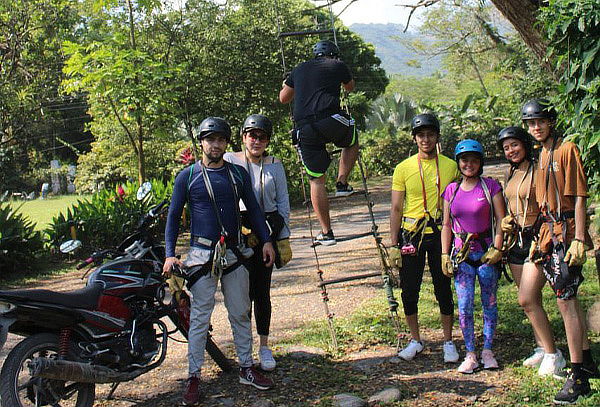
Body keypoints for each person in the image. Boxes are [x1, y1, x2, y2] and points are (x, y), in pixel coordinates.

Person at [163, 117, 276, 405]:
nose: (215, 144)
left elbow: (254, 208)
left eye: (220, 140)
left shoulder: (237, 174)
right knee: (200, 317)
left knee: (240, 312)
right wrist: (169, 254)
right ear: (201, 142)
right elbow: (173, 217)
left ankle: (247, 367)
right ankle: (193, 376)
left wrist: (265, 241)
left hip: (235, 253)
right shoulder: (187, 177)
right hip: (201, 255)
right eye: (210, 139)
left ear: (227, 144)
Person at [522, 99, 598, 404]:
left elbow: (579, 197)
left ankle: (578, 376)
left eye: (540, 122)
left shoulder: (567, 150)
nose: (536, 128)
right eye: (531, 124)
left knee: (565, 301)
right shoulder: (541, 155)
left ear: (551, 122)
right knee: (567, 299)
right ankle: (588, 359)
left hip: (567, 232)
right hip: (549, 232)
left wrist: (579, 237)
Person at [389, 113, 460, 363]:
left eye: (430, 134)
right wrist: (393, 243)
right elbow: (396, 207)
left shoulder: (451, 166)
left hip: (441, 233)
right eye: (421, 135)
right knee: (410, 289)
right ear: (414, 138)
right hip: (411, 235)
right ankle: (415, 339)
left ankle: (448, 341)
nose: (426, 139)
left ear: (437, 136)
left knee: (443, 287)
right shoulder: (403, 168)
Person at [497, 126, 567, 377]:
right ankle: (541, 346)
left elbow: (550, 203)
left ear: (525, 144)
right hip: (517, 240)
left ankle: (553, 354)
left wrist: (545, 233)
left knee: (526, 298)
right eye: (506, 147)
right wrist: (505, 221)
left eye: (514, 144)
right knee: (531, 301)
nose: (511, 150)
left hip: (538, 239)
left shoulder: (539, 170)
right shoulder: (511, 172)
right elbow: (510, 202)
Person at [224, 114, 290, 372]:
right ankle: (244, 348)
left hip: (269, 229)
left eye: (262, 137)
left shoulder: (275, 165)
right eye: (252, 135)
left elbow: (283, 201)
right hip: (240, 230)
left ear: (268, 141)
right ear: (243, 137)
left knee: (262, 291)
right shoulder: (231, 160)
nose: (256, 141)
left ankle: (264, 345)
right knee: (240, 293)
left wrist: (282, 237)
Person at [279, 39, 358, 246]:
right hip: (330, 120)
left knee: (316, 180)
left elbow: (283, 98)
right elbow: (350, 87)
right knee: (352, 137)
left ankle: (326, 232)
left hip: (304, 129)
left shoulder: (298, 69)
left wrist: (289, 83)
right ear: (334, 54)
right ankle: (342, 182)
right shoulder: (337, 65)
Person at [440, 139, 505, 374]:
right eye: (465, 160)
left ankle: (488, 350)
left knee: (489, 303)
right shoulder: (451, 190)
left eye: (474, 160)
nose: (469, 164)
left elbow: (501, 220)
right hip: (462, 255)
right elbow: (446, 224)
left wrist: (497, 248)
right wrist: (445, 254)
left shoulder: (490, 187)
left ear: (481, 163)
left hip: (486, 253)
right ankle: (470, 353)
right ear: (459, 163)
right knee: (465, 305)